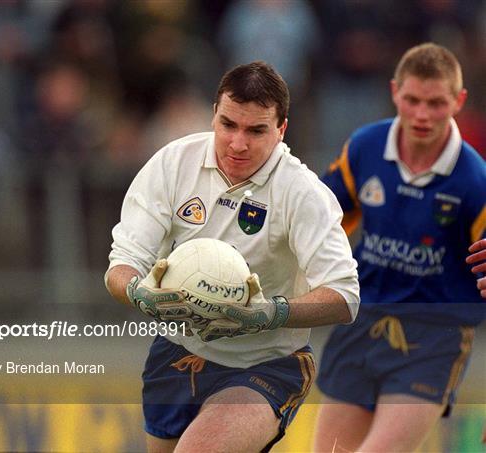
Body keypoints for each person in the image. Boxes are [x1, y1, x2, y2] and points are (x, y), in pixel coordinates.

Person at [105, 61, 360, 452]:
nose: (238, 143)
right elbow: (120, 267)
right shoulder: (174, 163)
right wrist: (139, 293)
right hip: (176, 353)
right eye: (228, 125)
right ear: (214, 115)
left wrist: (270, 313)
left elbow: (344, 297)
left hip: (266, 365)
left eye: (256, 130)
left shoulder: (303, 192)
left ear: (281, 130)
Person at [314, 43, 486, 453]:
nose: (422, 115)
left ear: (458, 101)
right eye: (412, 100)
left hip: (434, 337)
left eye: (436, 103)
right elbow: (316, 223)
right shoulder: (364, 148)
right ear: (395, 92)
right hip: (362, 320)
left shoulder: (475, 181)